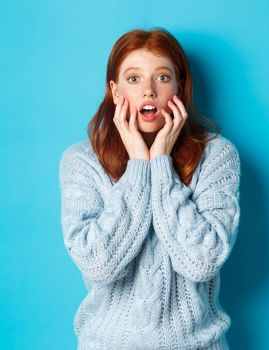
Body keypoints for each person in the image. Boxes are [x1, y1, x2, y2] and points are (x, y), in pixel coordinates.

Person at [59, 27, 241, 349]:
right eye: (133, 79)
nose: (148, 92)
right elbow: (99, 265)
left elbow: (201, 262)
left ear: (180, 87)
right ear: (115, 91)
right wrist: (139, 168)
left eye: (161, 77)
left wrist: (160, 164)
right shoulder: (81, 161)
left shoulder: (217, 155)